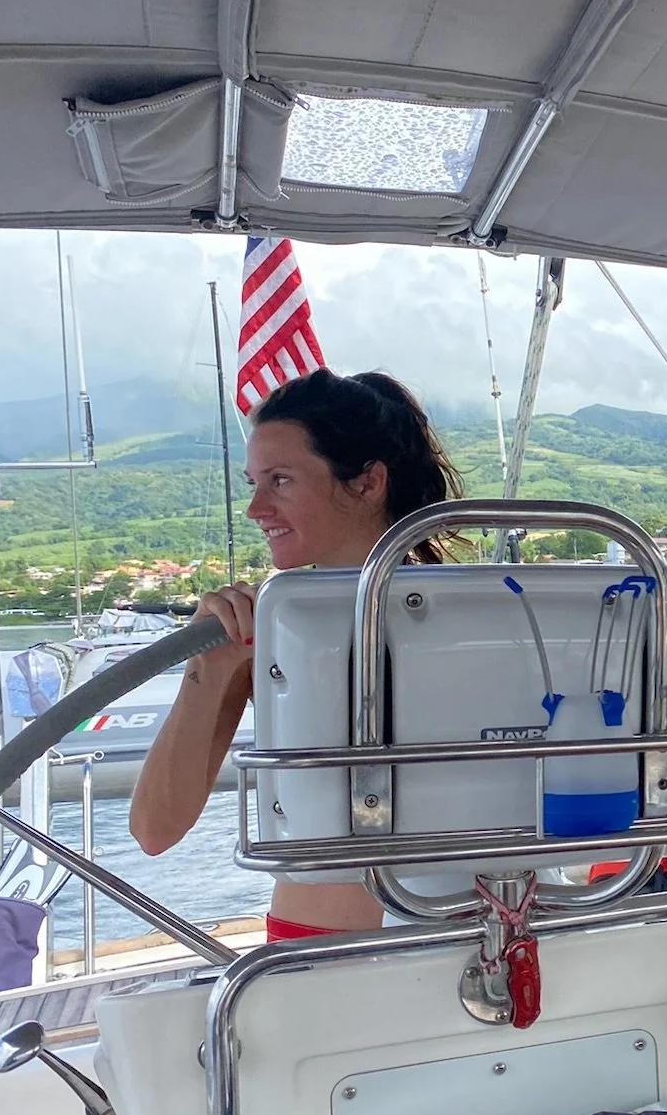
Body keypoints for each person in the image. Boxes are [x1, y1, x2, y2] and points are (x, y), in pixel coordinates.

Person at [129, 370, 461, 940]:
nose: (257, 507)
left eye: (280, 480)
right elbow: (154, 831)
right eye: (255, 482)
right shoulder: (262, 629)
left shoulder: (490, 614)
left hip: (490, 935)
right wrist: (211, 666)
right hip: (317, 949)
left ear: (366, 482)